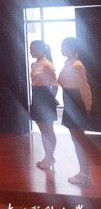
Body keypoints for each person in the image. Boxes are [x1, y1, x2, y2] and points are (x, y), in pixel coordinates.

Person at [57, 37, 93, 185]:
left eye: (63, 46)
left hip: (76, 103)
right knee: (76, 140)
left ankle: (85, 174)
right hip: (70, 101)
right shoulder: (69, 62)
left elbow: (84, 88)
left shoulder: (77, 65)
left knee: (79, 141)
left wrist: (87, 107)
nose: (61, 49)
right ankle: (83, 172)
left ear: (71, 48)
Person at [29, 40, 58, 170]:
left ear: (40, 49)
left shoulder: (47, 64)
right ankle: (48, 156)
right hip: (36, 95)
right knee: (42, 129)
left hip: (45, 97)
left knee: (48, 129)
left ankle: (49, 157)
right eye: (30, 49)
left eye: (32, 49)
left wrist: (51, 99)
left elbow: (55, 84)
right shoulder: (33, 64)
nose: (31, 51)